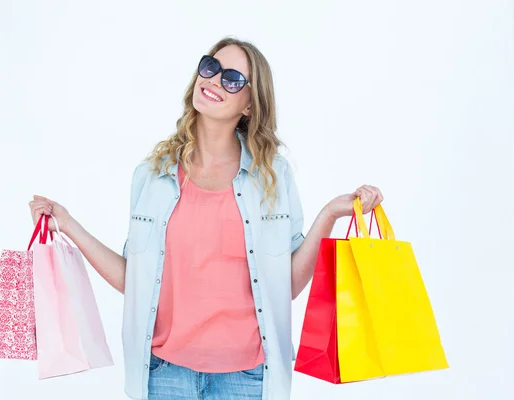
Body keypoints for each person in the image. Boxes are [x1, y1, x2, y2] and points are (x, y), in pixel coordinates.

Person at [28, 37, 383, 400]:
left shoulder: (272, 176)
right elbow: (135, 280)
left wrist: (329, 215)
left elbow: (286, 286)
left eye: (231, 79)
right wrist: (68, 225)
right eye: (210, 67)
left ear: (249, 104)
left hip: (248, 378)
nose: (213, 81)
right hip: (163, 375)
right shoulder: (152, 175)